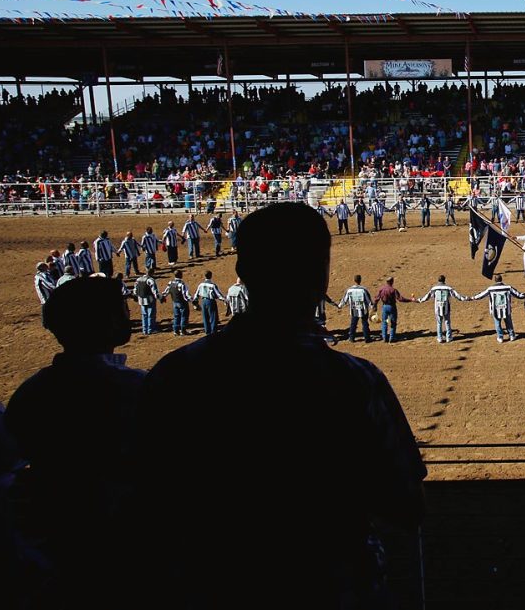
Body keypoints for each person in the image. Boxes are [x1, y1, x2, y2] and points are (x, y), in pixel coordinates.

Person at [132, 202, 426, 607]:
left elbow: (145, 492)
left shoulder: (173, 374)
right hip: (328, 582)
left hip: (211, 582)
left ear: (243, 272)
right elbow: (405, 503)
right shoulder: (355, 381)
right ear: (320, 277)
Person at [5, 276, 142, 606]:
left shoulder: (32, 392)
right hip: (125, 529)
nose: (128, 312)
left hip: (59, 528)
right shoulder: (135, 388)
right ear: (105, 321)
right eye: (121, 308)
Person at [470, 274, 525, 343]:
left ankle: (500, 337)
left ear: (495, 280)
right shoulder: (508, 287)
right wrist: (524, 296)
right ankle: (511, 335)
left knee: (497, 323)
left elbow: (481, 295)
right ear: (501, 279)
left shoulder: (491, 288)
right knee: (508, 322)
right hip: (506, 309)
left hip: (495, 309)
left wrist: (472, 298)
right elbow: (518, 294)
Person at [419, 275, 467, 343]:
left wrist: (419, 300)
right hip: (446, 307)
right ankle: (449, 337)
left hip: (437, 308)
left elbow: (427, 296)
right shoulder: (448, 288)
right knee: (447, 322)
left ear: (438, 280)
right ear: (444, 280)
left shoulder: (434, 288)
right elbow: (457, 295)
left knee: (439, 323)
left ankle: (440, 338)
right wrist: (465, 298)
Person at [375, 277, 415, 343]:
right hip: (392, 307)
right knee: (393, 323)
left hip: (384, 306)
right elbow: (400, 299)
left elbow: (376, 299)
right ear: (392, 282)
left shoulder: (381, 289)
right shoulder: (393, 290)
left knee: (384, 322)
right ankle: (392, 337)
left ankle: (384, 337)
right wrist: (410, 300)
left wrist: (375, 306)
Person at [337, 276, 374, 343]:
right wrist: (372, 307)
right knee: (365, 323)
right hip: (363, 309)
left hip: (354, 310)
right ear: (360, 280)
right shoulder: (363, 290)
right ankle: (367, 338)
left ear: (354, 280)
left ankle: (351, 338)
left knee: (353, 324)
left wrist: (340, 306)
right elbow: (369, 300)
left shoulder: (349, 290)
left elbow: (344, 300)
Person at [194, 270, 226, 335]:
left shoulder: (201, 284)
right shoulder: (212, 285)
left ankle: (207, 332)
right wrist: (224, 300)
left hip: (203, 302)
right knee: (213, 317)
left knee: (205, 317)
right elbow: (218, 294)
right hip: (211, 302)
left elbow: (196, 294)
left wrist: (195, 303)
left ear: (204, 276)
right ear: (211, 276)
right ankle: (213, 332)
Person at [161, 269, 192, 336]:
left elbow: (166, 292)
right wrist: (191, 300)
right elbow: (185, 295)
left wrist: (163, 297)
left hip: (174, 302)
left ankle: (176, 331)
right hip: (182, 302)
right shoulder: (182, 284)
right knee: (184, 316)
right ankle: (183, 331)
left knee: (176, 316)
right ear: (181, 275)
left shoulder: (170, 283)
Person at [133, 268, 160, 335]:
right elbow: (154, 291)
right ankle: (150, 329)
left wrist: (137, 296)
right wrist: (158, 297)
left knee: (144, 315)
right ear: (152, 273)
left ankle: (144, 330)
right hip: (150, 299)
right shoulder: (150, 280)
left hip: (141, 299)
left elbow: (135, 290)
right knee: (151, 315)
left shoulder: (138, 279)